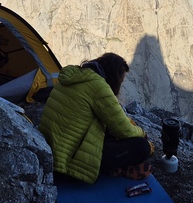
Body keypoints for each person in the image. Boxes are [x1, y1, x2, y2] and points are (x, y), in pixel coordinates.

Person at [38, 53, 153, 183]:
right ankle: (113, 169)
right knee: (142, 147)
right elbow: (124, 130)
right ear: (114, 77)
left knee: (110, 131)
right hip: (67, 167)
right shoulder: (98, 87)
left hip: (49, 151)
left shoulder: (74, 74)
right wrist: (142, 132)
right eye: (121, 80)